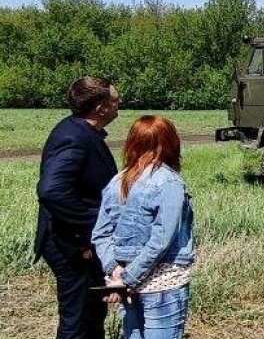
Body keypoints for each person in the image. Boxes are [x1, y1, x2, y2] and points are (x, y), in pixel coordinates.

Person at [92, 115, 195, 339]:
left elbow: (100, 234)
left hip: (125, 282)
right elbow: (161, 241)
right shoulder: (169, 182)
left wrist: (116, 271)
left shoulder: (116, 182)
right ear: (170, 144)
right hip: (163, 283)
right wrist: (129, 278)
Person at [34, 76, 121, 339]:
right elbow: (51, 191)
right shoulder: (74, 137)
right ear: (101, 107)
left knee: (93, 312)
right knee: (78, 318)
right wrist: (96, 222)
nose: (121, 104)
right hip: (70, 244)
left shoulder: (81, 131)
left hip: (78, 241)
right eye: (116, 100)